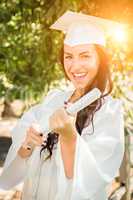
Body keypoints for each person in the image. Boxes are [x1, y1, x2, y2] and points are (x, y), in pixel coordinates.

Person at [0, 10, 124, 200]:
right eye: (68, 56)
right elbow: (13, 176)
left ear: (101, 59)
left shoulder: (109, 111)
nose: (75, 66)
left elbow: (88, 185)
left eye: (85, 56)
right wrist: (28, 144)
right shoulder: (53, 100)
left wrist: (69, 137)